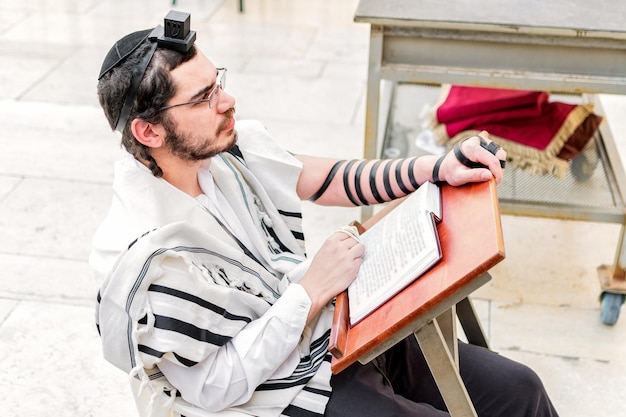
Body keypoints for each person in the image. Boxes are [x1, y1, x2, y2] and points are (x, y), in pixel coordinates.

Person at [91, 11, 559, 417]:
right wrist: (311, 290)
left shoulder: (223, 150)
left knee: (521, 392)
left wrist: (438, 168)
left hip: (333, 331)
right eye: (202, 98)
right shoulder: (147, 257)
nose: (227, 102)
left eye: (219, 84)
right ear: (148, 131)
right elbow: (215, 387)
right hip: (271, 397)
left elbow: (331, 179)